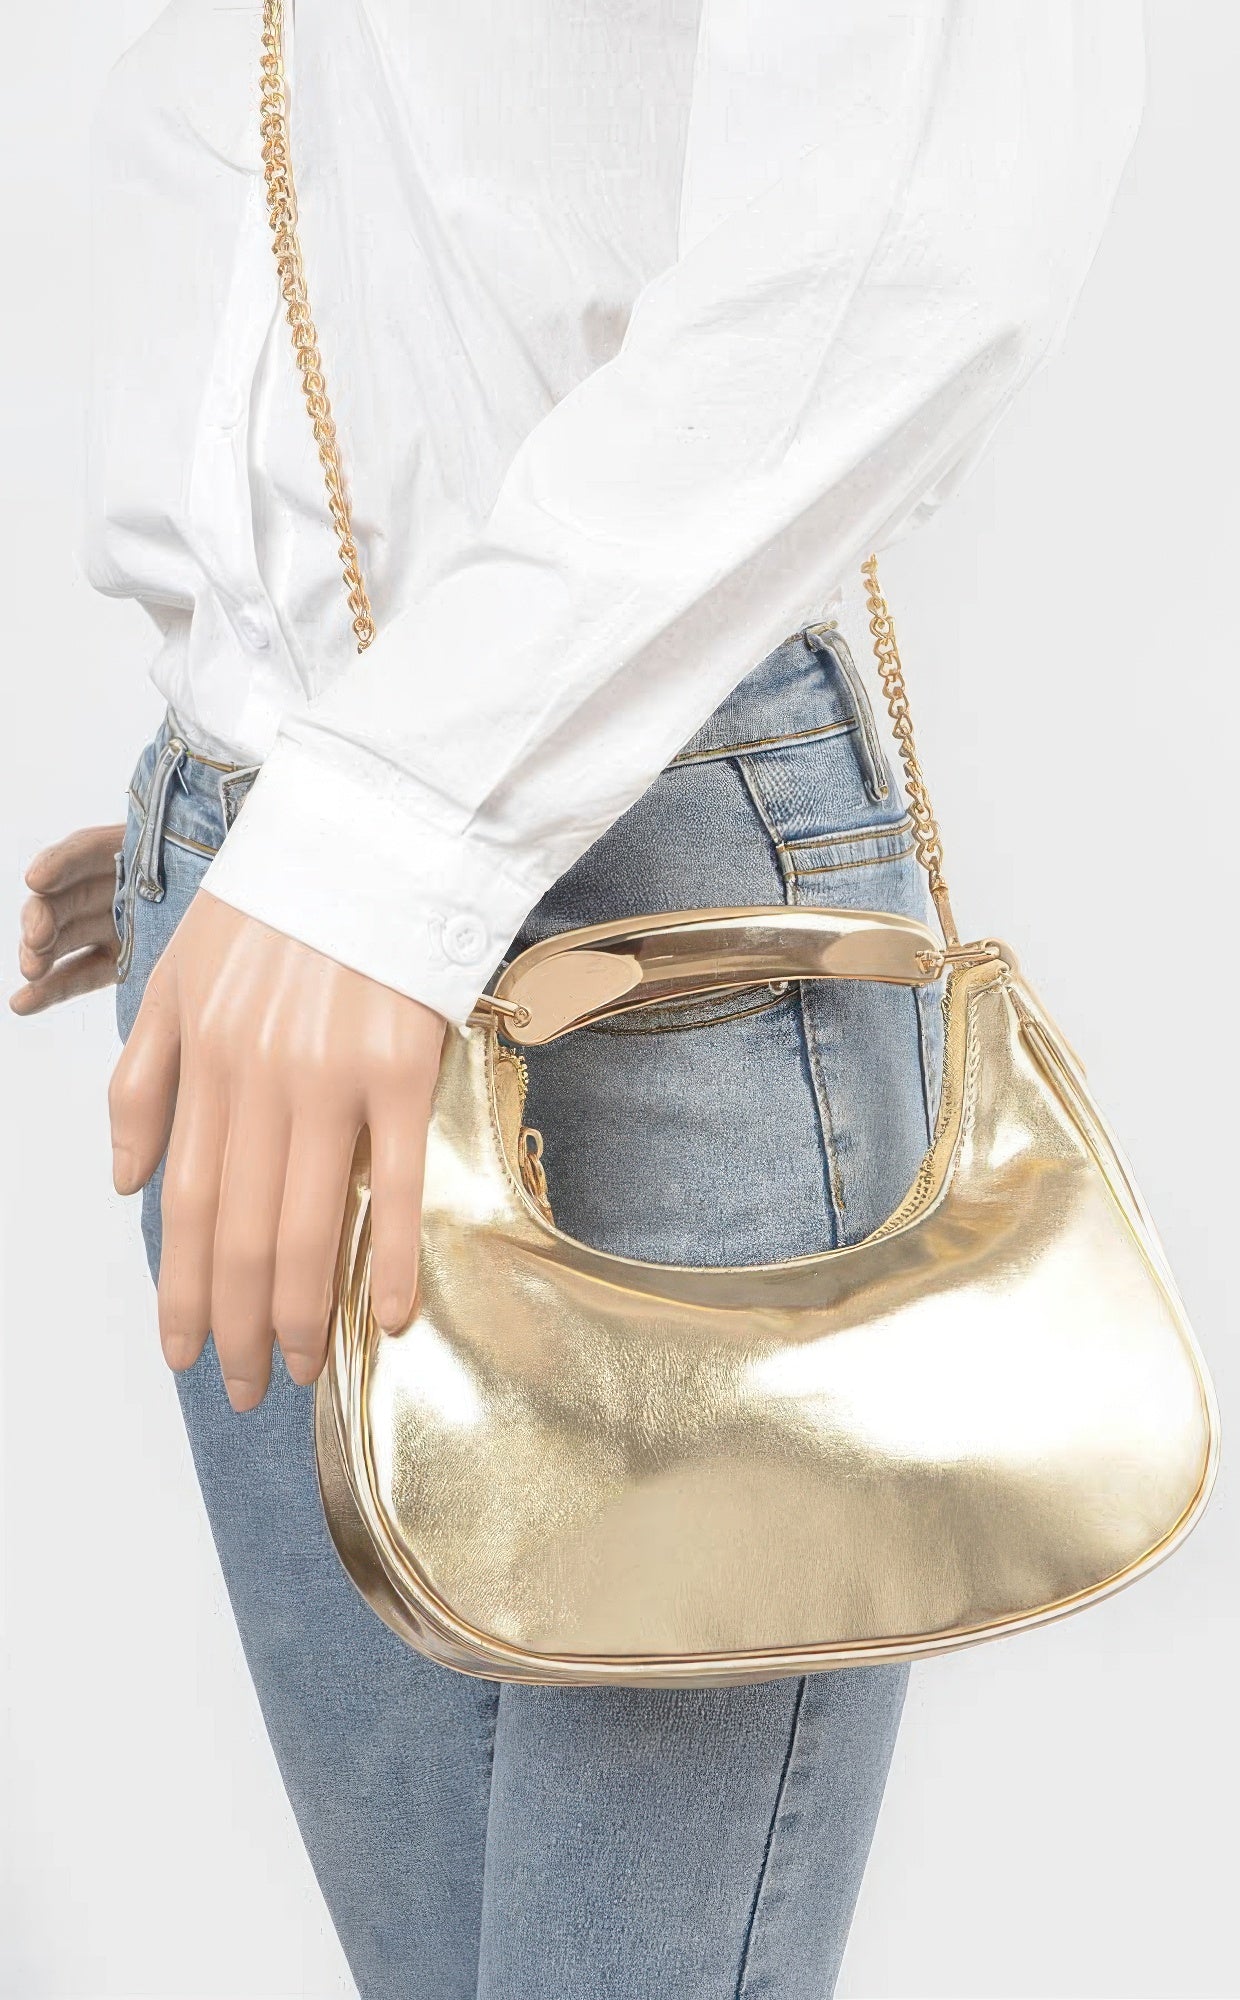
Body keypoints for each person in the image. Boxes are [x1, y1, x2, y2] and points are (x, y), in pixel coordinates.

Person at [13, 4, 1144, 1994]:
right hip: (275, 906)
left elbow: (919, 228)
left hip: (612, 896)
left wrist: (384, 824)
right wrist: (260, 794)